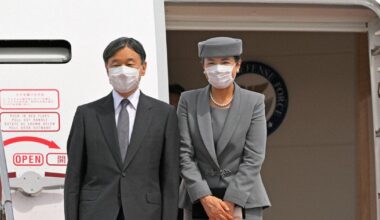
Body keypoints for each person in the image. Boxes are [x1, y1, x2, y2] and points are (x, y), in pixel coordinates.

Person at [64, 37, 179, 220]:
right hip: (96, 212)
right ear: (106, 69)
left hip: (146, 212)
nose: (123, 71)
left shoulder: (164, 114)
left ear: (143, 68)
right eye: (115, 64)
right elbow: (73, 178)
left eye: (130, 63)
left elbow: (170, 178)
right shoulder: (87, 114)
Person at [177, 37, 271, 220]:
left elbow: (254, 157)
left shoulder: (254, 102)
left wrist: (230, 201)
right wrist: (205, 198)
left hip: (244, 199)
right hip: (198, 199)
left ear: (237, 65)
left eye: (225, 62)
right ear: (203, 67)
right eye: (211, 63)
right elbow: (183, 153)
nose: (218, 69)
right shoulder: (188, 101)